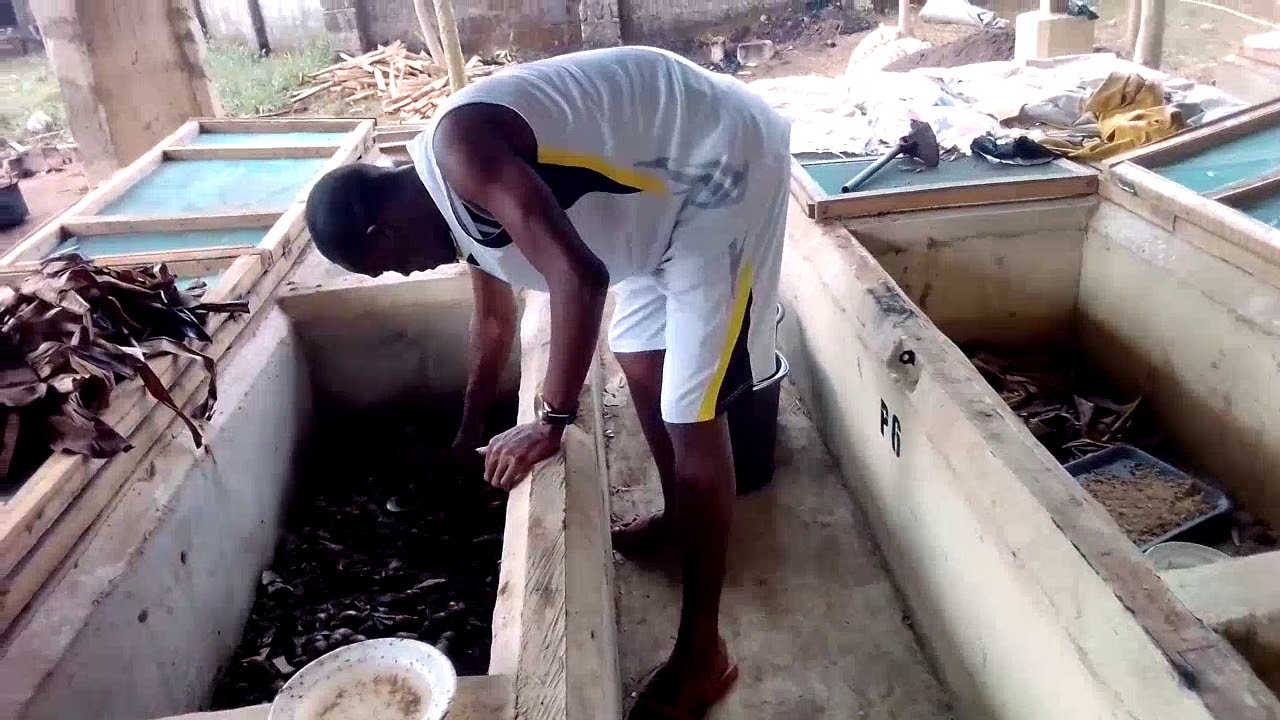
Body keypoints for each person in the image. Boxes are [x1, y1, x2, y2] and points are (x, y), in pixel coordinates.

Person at [303, 44, 790, 720]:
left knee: (692, 410)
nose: (407, 273)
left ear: (380, 232)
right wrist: (469, 430)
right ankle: (683, 520)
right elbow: (492, 320)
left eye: (388, 267)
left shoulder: (462, 151)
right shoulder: (447, 207)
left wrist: (551, 420)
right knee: (640, 357)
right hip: (663, 208)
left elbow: (580, 278)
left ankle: (704, 654)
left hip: (723, 168)